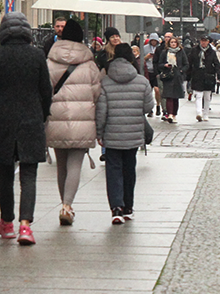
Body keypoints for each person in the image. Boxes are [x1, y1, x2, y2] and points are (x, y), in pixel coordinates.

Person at [0, 13, 53, 245]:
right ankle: (25, 226)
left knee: (4, 175)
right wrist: (41, 115)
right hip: (31, 121)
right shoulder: (37, 55)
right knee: (29, 176)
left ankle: (7, 223)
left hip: (2, 122)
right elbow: (45, 91)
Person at [46, 19, 102, 226]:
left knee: (61, 165)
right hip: (83, 119)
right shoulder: (89, 63)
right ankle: (67, 206)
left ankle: (63, 202)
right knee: (75, 164)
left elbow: (44, 90)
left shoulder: (50, 60)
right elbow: (97, 92)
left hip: (56, 118)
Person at [95, 44, 153, 224]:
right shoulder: (141, 81)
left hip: (112, 134)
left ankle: (116, 208)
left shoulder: (105, 82)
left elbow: (101, 111)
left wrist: (99, 132)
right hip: (133, 132)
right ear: (130, 58)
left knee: (113, 170)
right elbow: (148, 107)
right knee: (129, 169)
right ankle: (128, 207)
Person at [187, 34, 220, 122]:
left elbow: (217, 64)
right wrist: (188, 75)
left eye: (205, 41)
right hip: (197, 75)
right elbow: (189, 63)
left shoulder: (212, 52)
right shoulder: (194, 50)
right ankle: (199, 113)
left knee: (207, 97)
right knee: (198, 95)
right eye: (202, 41)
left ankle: (206, 114)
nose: (203, 43)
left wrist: (219, 74)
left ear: (208, 42)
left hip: (208, 75)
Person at [158, 36, 188, 123]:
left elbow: (186, 64)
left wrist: (181, 70)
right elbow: (159, 64)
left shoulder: (181, 52)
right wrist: (165, 65)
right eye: (171, 42)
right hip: (168, 76)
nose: (173, 44)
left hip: (177, 77)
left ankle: (174, 114)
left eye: (175, 42)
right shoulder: (165, 52)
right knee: (169, 96)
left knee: (176, 97)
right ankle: (170, 114)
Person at [143, 33, 162, 117]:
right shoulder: (145, 48)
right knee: (148, 91)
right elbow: (140, 59)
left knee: (157, 90)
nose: (154, 42)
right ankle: (150, 109)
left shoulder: (160, 48)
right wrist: (146, 57)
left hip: (156, 71)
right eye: (152, 41)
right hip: (147, 71)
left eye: (155, 41)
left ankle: (158, 105)